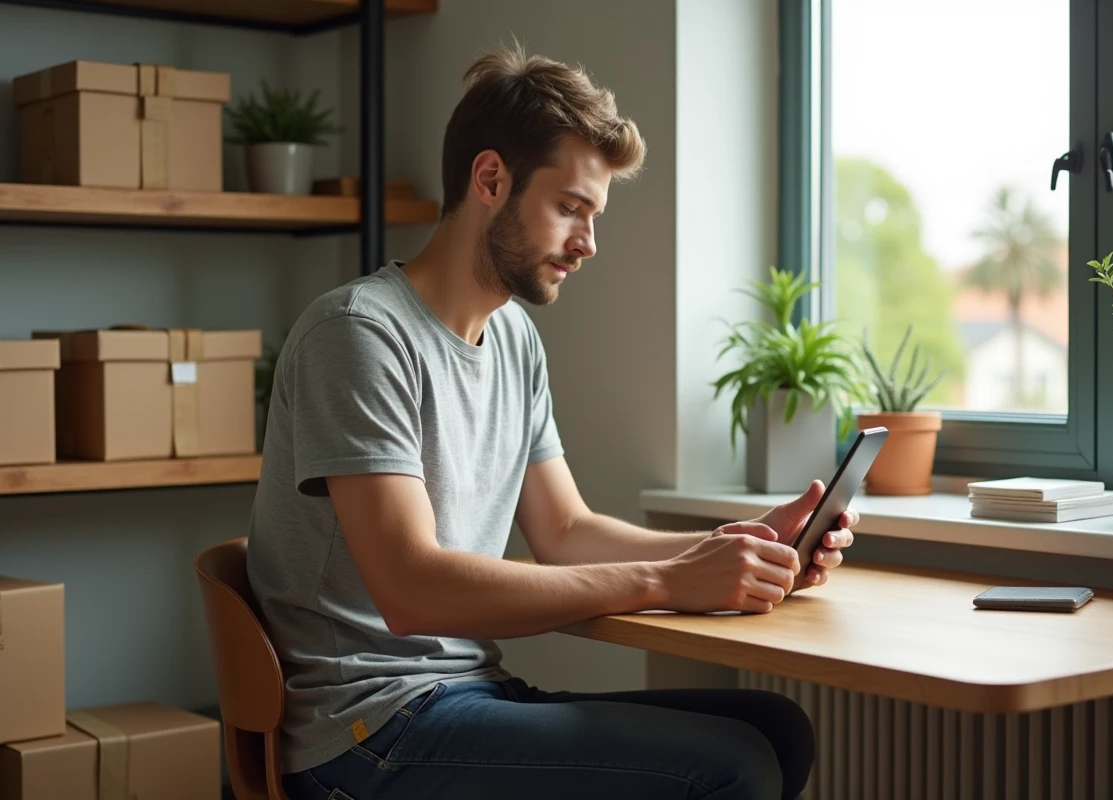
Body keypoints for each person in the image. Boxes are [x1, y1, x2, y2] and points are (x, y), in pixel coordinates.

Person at [247, 42, 858, 800]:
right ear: (491, 179)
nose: (588, 244)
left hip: (466, 695)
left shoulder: (512, 338)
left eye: (593, 215)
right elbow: (411, 590)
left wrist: (744, 545)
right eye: (571, 208)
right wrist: (666, 578)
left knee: (778, 730)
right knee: (734, 766)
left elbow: (564, 532)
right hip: (370, 733)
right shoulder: (358, 333)